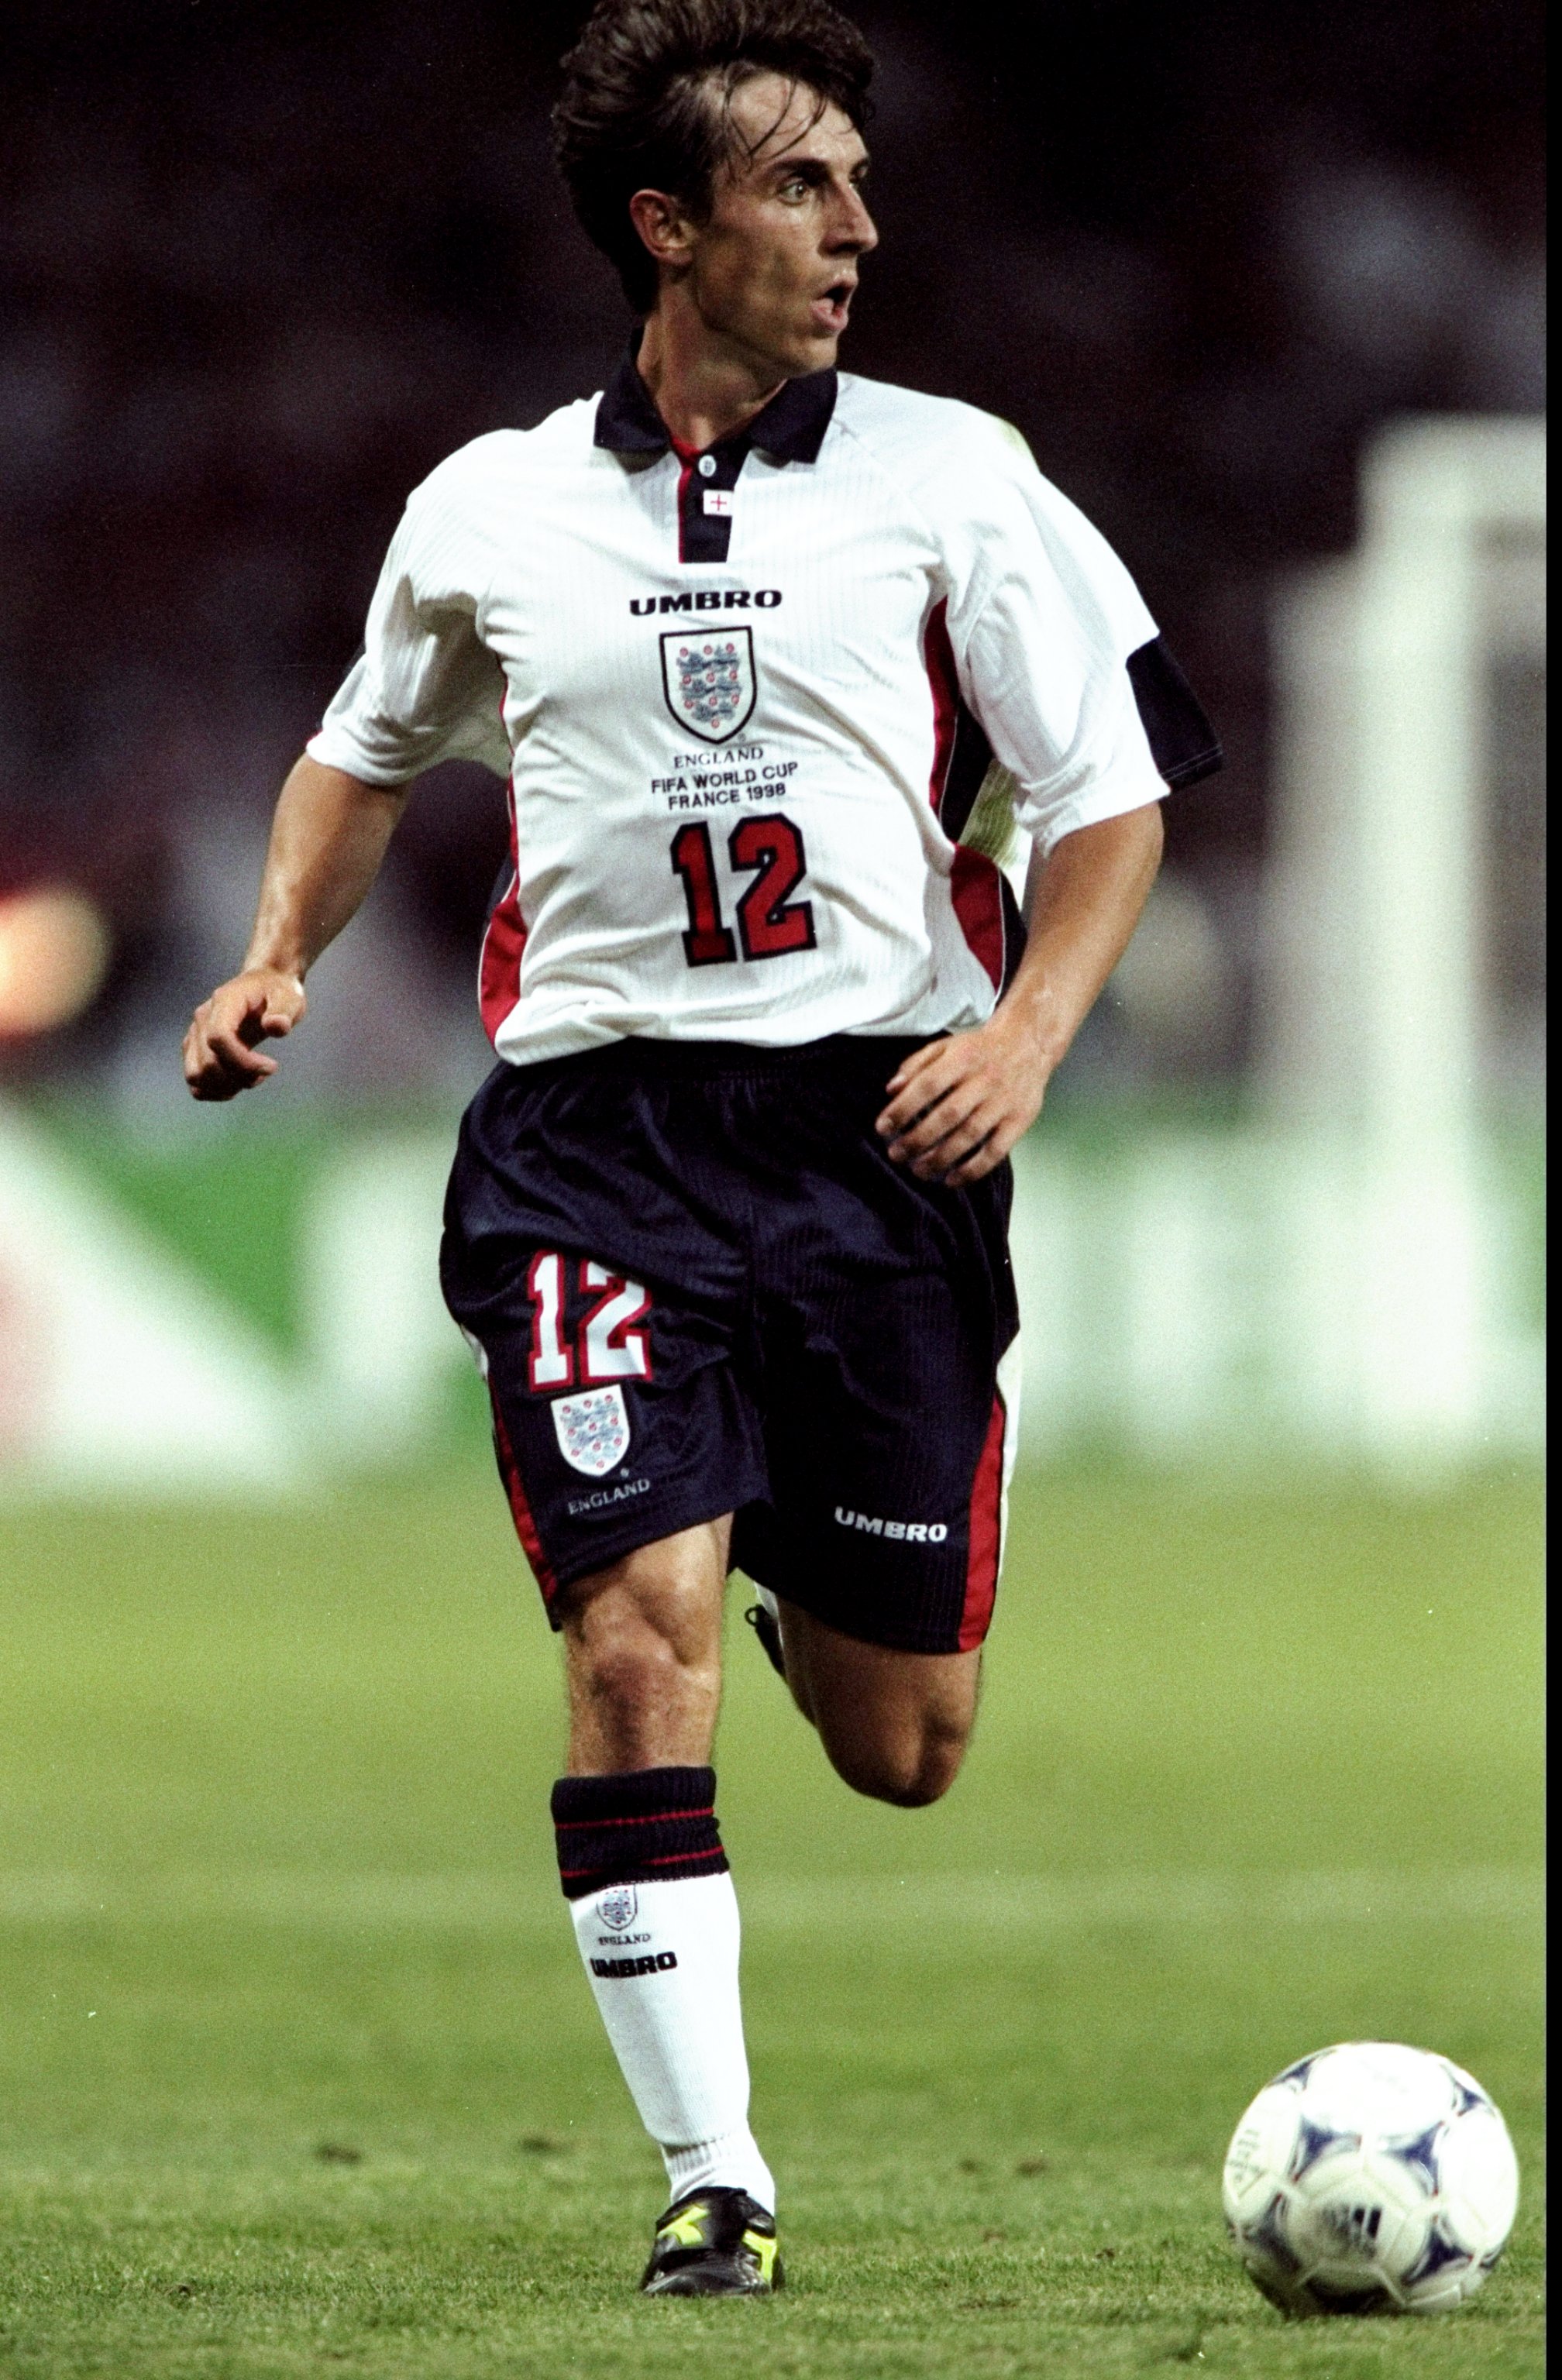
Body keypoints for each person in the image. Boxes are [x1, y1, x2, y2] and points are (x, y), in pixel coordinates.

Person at [183, 0, 1220, 2299]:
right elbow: (364, 752)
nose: (857, 227)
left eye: (856, 182)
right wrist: (278, 953)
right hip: (596, 1140)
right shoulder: (489, 507)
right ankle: (715, 2183)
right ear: (669, 228)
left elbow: (1116, 794)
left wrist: (1035, 1032)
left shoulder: (958, 476)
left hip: (884, 1135)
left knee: (904, 1747)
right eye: (798, 186)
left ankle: (799, 1522)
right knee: (632, 1647)